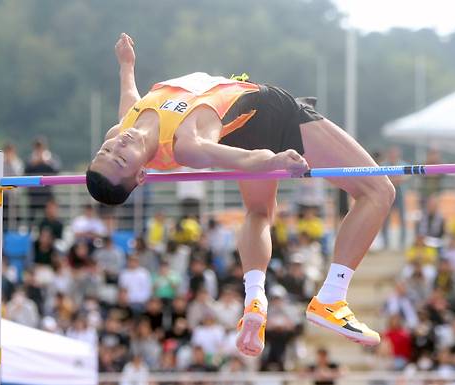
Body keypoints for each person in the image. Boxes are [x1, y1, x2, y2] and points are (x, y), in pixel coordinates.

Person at [85, 33, 393, 355]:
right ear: (141, 174)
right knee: (378, 190)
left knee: (259, 213)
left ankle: (255, 300)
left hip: (244, 125)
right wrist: (275, 160)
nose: (117, 145)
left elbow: (129, 105)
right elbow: (242, 159)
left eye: (106, 150)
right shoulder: (186, 144)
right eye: (119, 158)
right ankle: (332, 296)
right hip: (272, 113)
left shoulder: (121, 129)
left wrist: (126, 66)